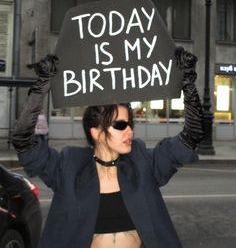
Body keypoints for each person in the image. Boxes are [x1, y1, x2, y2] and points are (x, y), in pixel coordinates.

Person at [12, 49, 204, 248]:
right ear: (97, 133)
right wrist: (41, 86)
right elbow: (22, 141)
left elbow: (191, 137)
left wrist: (188, 82)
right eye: (120, 125)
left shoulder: (142, 162)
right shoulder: (69, 165)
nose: (129, 131)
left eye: (130, 124)